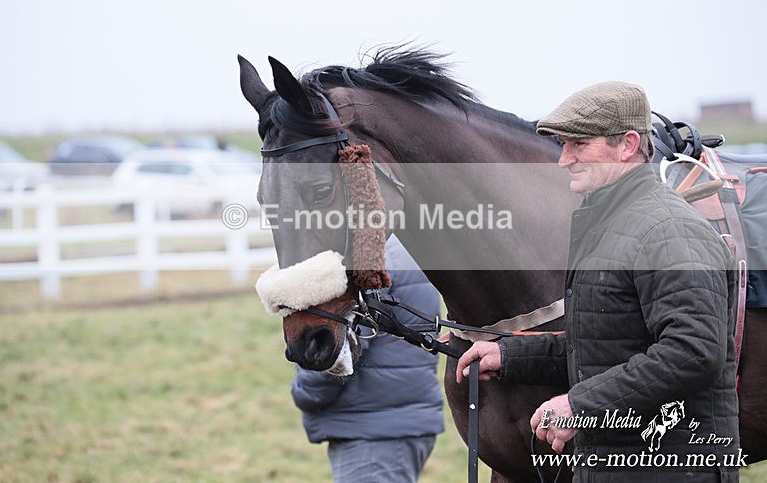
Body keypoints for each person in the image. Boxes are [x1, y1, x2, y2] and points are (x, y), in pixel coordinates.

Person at [455, 82, 740, 481]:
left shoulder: (669, 230)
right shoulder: (612, 225)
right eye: (563, 145)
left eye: (578, 145)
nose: (563, 160)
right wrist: (511, 357)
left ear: (626, 145)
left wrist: (580, 407)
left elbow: (692, 352)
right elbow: (607, 345)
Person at [291, 234, 444, 483]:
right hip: (397, 422)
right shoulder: (404, 248)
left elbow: (334, 351)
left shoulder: (367, 262)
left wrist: (303, 392)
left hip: (373, 432)